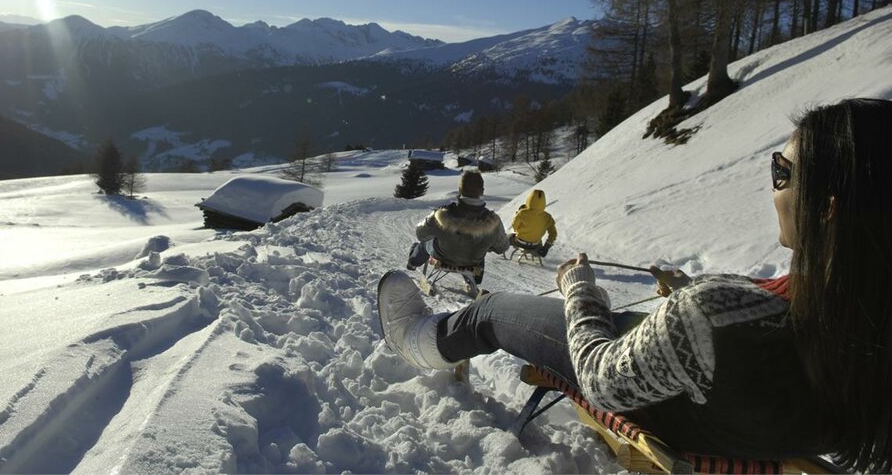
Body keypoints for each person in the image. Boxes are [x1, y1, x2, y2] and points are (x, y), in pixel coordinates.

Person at [379, 99, 892, 472]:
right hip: (712, 400)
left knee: (491, 313)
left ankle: (420, 338)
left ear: (829, 208)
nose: (773, 186)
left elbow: (602, 378)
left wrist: (580, 290)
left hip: (642, 382)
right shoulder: (866, 331)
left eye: (782, 172)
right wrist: (696, 295)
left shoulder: (714, 317)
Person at [405, 170, 510, 283]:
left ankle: (413, 262)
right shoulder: (493, 221)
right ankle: (475, 279)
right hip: (472, 263)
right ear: (482, 191)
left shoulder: (443, 214)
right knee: (481, 248)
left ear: (460, 189)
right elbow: (502, 248)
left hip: (442, 257)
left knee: (426, 241)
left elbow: (420, 234)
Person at [509, 189, 557, 257]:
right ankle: (537, 253)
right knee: (539, 240)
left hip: (520, 242)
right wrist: (546, 247)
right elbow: (553, 234)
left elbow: (514, 226)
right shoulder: (547, 217)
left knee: (509, 236)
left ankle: (499, 249)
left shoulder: (522, 213)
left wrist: (518, 215)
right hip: (535, 244)